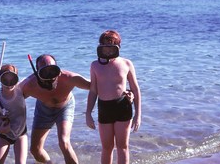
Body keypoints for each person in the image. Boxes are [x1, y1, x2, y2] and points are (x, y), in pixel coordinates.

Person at [21, 54, 90, 164]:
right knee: (35, 150)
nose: (50, 77)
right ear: (37, 73)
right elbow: (11, 99)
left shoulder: (69, 78)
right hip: (43, 110)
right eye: (45, 73)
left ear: (58, 70)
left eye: (53, 71)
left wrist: (121, 90)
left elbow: (94, 85)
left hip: (65, 107)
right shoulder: (29, 85)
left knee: (64, 142)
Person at [85, 30, 141, 164]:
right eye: (105, 48)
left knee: (122, 146)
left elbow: (135, 89)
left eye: (112, 48)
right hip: (104, 107)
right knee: (107, 147)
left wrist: (138, 115)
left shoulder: (126, 64)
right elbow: (93, 91)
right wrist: (88, 113)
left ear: (118, 48)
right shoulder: (95, 65)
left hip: (122, 106)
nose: (108, 52)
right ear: (100, 48)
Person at [0, 64, 28, 164]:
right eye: (5, 80)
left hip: (21, 133)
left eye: (12, 80)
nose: (9, 84)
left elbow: (32, 82)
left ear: (17, 79)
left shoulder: (21, 90)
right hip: (4, 134)